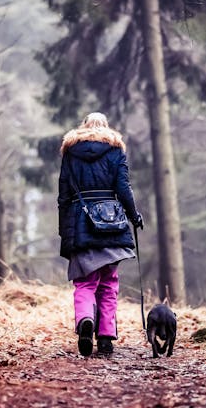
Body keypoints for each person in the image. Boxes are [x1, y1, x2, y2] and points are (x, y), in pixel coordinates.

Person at [58, 112, 143, 356]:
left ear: (84, 127)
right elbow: (123, 188)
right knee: (109, 282)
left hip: (79, 221)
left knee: (85, 282)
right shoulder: (115, 151)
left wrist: (65, 229)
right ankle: (105, 337)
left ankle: (85, 319)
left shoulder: (70, 153)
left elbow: (63, 195)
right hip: (111, 222)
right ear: (106, 127)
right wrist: (134, 216)